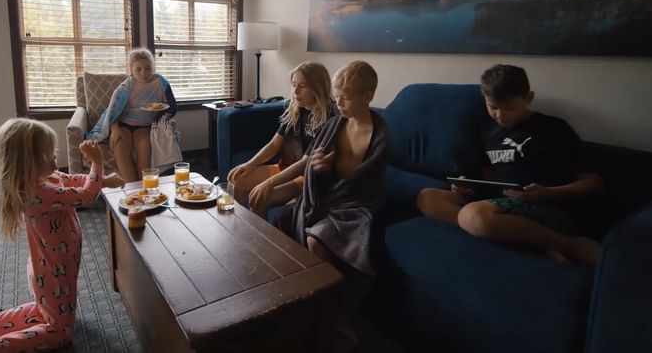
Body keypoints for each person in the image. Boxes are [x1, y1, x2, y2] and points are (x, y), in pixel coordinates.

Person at [0, 118, 124, 352]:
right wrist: (97, 164)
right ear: (26, 162)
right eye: (47, 154)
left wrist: (103, 180)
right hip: (52, 269)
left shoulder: (42, 180)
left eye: (53, 151)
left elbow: (71, 182)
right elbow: (86, 197)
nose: (54, 158)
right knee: (60, 332)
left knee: (43, 312)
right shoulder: (36, 192)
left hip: (54, 266)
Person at [416, 64, 603, 266]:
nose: (500, 116)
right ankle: (528, 240)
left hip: (542, 205)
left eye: (509, 108)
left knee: (474, 216)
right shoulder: (487, 131)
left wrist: (547, 192)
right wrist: (465, 186)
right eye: (493, 107)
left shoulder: (554, 129)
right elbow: (486, 176)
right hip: (496, 203)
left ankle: (569, 245)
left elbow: (593, 183)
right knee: (427, 197)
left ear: (529, 98)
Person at [268, 61, 388, 352]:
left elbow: (368, 182)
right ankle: (300, 291)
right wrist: (320, 169)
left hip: (357, 204)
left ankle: (330, 311)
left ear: (367, 96)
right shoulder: (336, 124)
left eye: (346, 96)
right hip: (327, 194)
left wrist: (326, 173)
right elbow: (314, 163)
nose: (339, 102)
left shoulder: (380, 133)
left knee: (316, 236)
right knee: (284, 219)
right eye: (337, 95)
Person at [229, 62, 336, 214]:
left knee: (260, 196)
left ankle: (258, 237)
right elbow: (274, 145)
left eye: (303, 85)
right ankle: (241, 226)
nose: (295, 91)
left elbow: (305, 164)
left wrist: (268, 184)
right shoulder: (296, 109)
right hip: (283, 168)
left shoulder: (330, 118)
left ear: (318, 87)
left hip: (304, 178)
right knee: (237, 180)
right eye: (293, 85)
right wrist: (248, 164)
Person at [86, 48, 177, 182]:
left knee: (145, 147)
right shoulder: (126, 86)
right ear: (131, 69)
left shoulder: (161, 83)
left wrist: (161, 118)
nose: (144, 73)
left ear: (153, 67)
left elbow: (172, 106)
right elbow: (113, 110)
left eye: (148, 68)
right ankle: (131, 187)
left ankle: (144, 185)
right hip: (124, 125)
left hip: (145, 126)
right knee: (120, 145)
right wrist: (115, 128)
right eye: (138, 69)